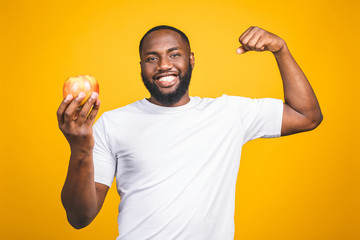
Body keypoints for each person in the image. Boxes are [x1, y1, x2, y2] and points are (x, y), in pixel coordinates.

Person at [57, 25, 323, 240]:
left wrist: (281, 50)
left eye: (174, 54)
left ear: (191, 60)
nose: (163, 65)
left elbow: (306, 116)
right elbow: (80, 218)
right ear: (141, 67)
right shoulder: (112, 123)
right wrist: (80, 147)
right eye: (152, 58)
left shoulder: (229, 113)